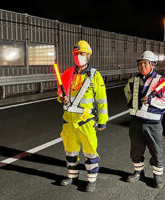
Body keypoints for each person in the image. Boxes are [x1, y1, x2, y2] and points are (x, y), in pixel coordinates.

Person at [57, 40, 108, 192]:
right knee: (70, 151)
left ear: (88, 56)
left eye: (82, 54)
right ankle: (72, 176)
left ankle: (91, 181)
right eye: (76, 54)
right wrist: (62, 98)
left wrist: (102, 121)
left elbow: (101, 100)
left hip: (85, 121)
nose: (79, 56)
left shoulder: (95, 75)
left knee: (90, 151)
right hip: (68, 120)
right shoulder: (67, 73)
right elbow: (60, 93)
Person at [124, 50, 165, 188]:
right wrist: (131, 102)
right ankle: (137, 172)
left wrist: (152, 100)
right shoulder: (133, 80)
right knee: (136, 150)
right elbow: (126, 92)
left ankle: (157, 176)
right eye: (140, 63)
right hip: (136, 122)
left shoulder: (161, 81)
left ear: (152, 64)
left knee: (156, 151)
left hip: (153, 124)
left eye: (145, 63)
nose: (142, 66)